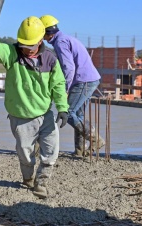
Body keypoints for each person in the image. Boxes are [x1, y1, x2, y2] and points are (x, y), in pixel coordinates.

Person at [0, 16, 69, 199]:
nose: (26, 49)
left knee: (51, 150)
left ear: (40, 41)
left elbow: (58, 84)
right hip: (21, 117)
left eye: (30, 46)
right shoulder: (12, 54)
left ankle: (42, 183)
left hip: (45, 114)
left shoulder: (50, 59)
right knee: (25, 154)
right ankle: (28, 177)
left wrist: (62, 108)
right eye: (23, 44)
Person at [40, 15, 105, 158]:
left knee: (68, 113)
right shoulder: (65, 38)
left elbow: (68, 68)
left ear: (46, 32)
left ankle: (96, 140)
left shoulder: (60, 43)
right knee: (78, 115)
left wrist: (64, 89)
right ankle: (80, 150)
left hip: (83, 81)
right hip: (89, 79)